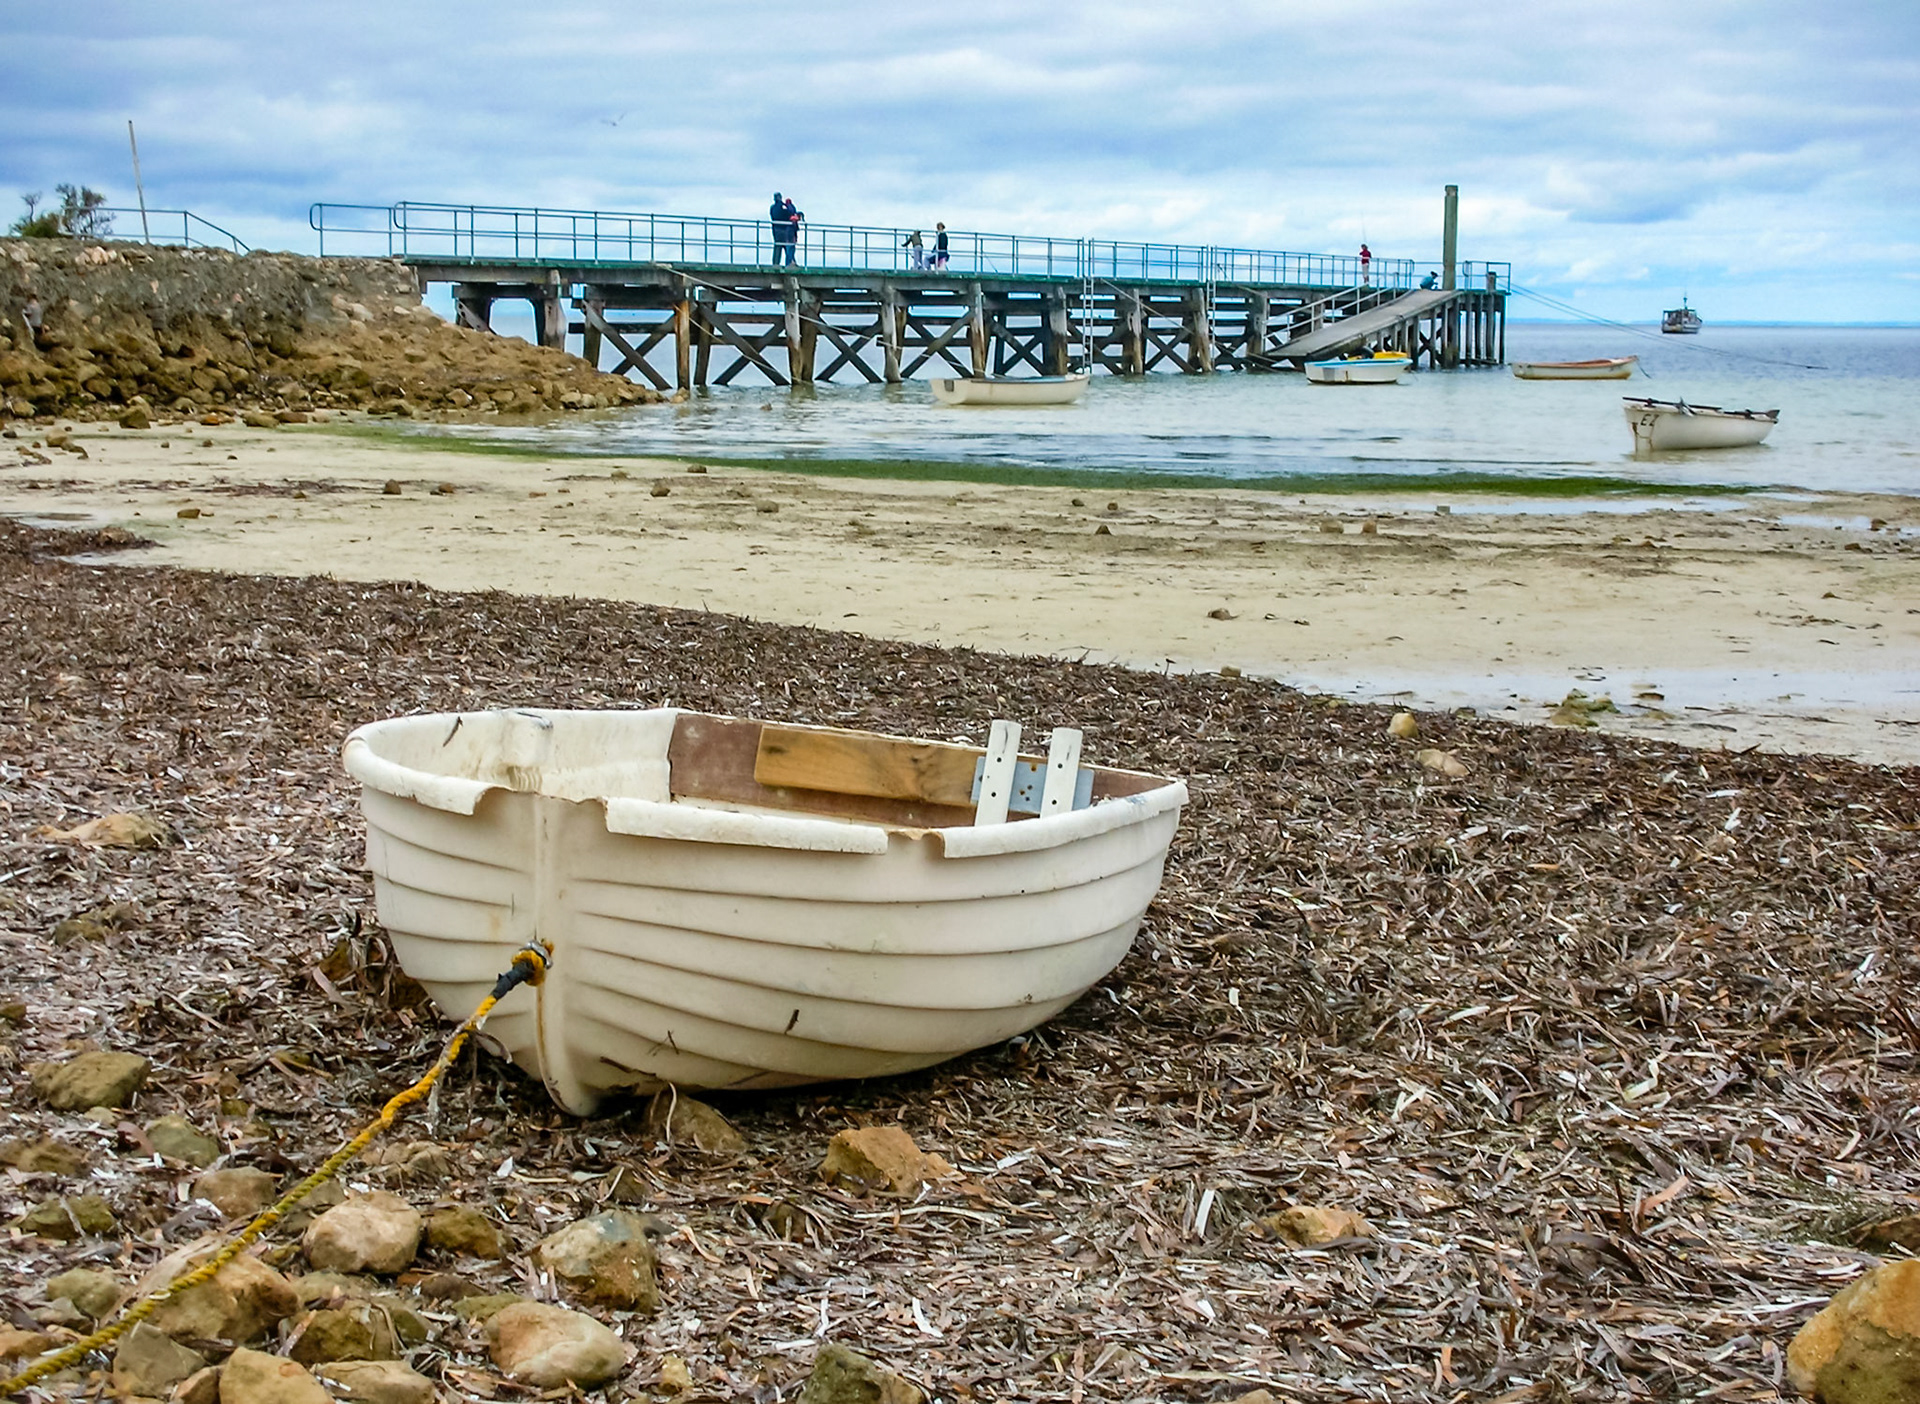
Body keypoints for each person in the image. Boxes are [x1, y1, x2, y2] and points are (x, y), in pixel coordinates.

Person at [769, 192, 803, 267]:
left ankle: (775, 263)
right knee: (788, 247)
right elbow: (788, 214)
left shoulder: (772, 208)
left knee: (778, 246)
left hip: (775, 229)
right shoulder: (784, 206)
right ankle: (790, 262)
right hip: (785, 229)